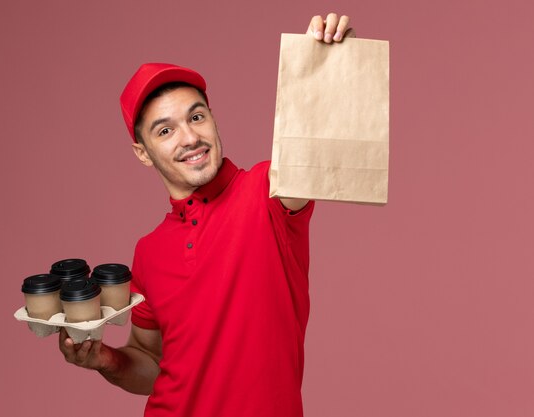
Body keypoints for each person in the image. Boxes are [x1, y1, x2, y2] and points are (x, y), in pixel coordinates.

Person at [60, 13, 352, 417]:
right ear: (143, 152)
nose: (190, 137)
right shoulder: (148, 251)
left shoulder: (268, 191)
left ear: (213, 119)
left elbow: (308, 148)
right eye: (165, 131)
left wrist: (318, 67)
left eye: (196, 117)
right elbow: (150, 363)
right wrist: (105, 360)